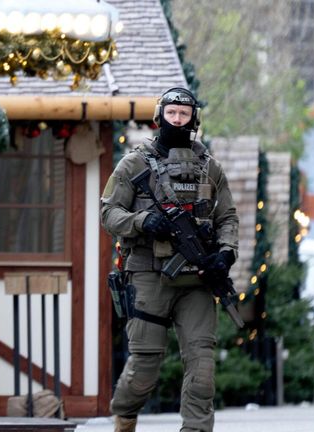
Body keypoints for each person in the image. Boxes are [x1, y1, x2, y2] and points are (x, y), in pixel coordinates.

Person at [100, 87, 239, 432]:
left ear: (194, 119)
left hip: (198, 281)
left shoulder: (211, 169)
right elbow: (108, 213)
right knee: (144, 369)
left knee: (202, 370)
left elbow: (228, 218)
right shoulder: (134, 164)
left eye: (184, 114)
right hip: (149, 275)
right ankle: (125, 415)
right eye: (172, 113)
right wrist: (142, 221)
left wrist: (225, 252)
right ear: (160, 116)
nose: (177, 120)